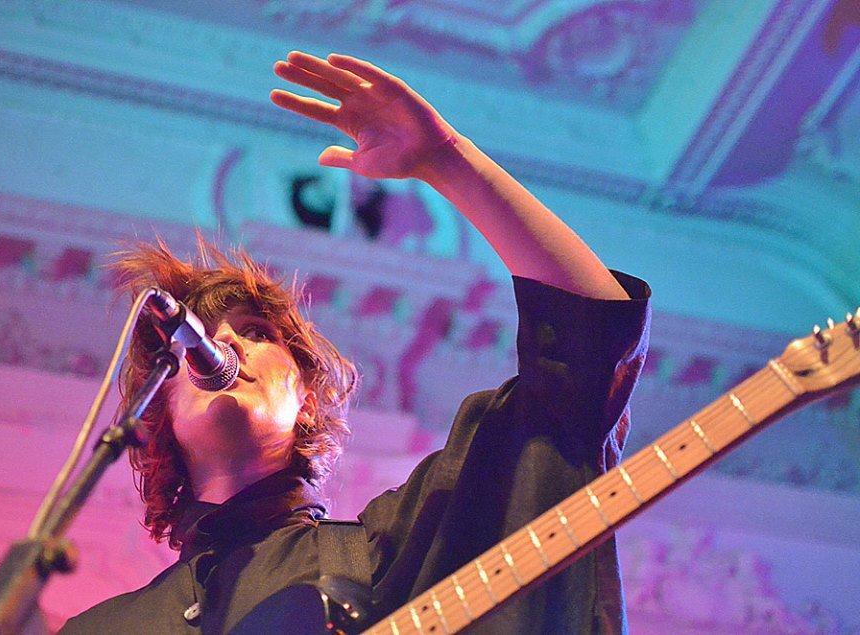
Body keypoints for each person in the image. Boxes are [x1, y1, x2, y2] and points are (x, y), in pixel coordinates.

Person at [60, 51, 650, 634]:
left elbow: (586, 348)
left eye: (256, 332)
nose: (225, 343)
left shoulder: (386, 552)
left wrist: (447, 161)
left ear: (307, 402)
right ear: (158, 415)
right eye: (197, 339)